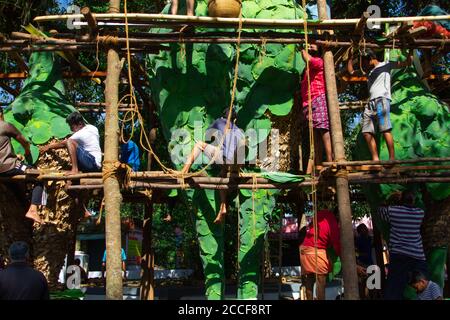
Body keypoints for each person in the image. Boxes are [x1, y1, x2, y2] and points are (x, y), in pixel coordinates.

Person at [180, 107, 245, 224]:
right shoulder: (240, 131)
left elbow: (207, 135)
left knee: (199, 144)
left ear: (222, 116)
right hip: (235, 162)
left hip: (224, 158)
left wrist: (217, 136)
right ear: (235, 120)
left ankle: (184, 170)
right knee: (222, 175)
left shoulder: (219, 121)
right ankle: (223, 206)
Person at [347, 48, 413, 161]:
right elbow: (351, 72)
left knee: (385, 129)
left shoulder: (386, 65)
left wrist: (410, 49)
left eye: (364, 62)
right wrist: (349, 58)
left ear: (371, 59)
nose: (363, 65)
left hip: (381, 100)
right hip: (371, 103)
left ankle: (392, 158)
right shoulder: (368, 71)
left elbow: (407, 63)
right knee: (366, 131)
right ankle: (375, 159)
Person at [0, 107, 47, 224]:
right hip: (9, 166)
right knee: (38, 174)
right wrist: (27, 151)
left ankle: (24, 214)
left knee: (17, 190)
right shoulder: (5, 125)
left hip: (3, 173)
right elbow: (24, 141)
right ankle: (33, 209)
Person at [378, 191, 428, 300]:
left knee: (394, 288)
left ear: (400, 200)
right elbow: (420, 203)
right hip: (417, 256)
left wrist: (390, 198)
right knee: (423, 286)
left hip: (399, 255)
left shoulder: (393, 211)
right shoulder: (419, 213)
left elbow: (380, 210)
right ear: (413, 201)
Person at [301, 44, 333, 173]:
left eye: (313, 44)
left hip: (318, 97)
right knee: (315, 134)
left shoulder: (319, 61)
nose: (310, 46)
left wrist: (302, 49)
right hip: (309, 102)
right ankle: (319, 163)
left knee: (323, 129)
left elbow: (308, 58)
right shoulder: (308, 68)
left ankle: (330, 160)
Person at [300, 209, 341, 300]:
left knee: (310, 279)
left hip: (304, 249)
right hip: (316, 250)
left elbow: (312, 228)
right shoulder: (332, 222)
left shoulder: (321, 214)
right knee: (321, 281)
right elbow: (336, 245)